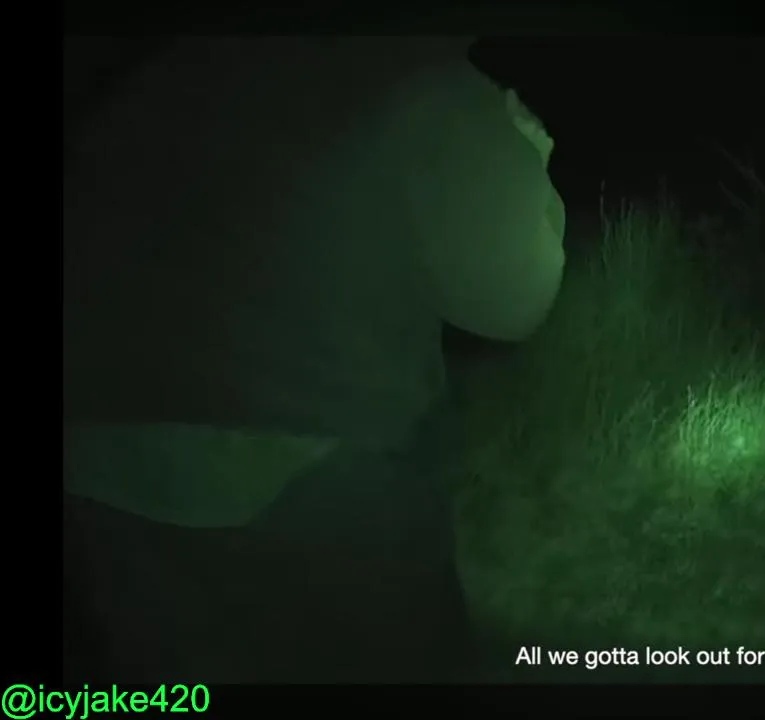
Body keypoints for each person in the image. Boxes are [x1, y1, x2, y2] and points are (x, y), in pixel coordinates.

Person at [61, 36, 566, 683]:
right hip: (314, 463)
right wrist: (532, 158)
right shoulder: (424, 80)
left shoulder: (163, 63)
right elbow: (517, 299)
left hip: (101, 459)